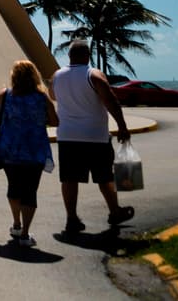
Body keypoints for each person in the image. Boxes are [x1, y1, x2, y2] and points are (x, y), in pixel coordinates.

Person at [50, 38, 134, 233]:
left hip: (67, 136)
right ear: (87, 55)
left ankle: (72, 218)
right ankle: (114, 212)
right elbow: (111, 100)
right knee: (104, 177)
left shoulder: (57, 76)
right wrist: (122, 126)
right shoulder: (94, 74)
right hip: (95, 136)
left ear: (69, 56)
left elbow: (53, 96)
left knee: (69, 179)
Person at [0, 59, 58, 247]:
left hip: (10, 150)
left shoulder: (5, 95)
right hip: (35, 151)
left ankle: (16, 223)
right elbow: (55, 121)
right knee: (30, 191)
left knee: (13, 187)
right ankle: (26, 234)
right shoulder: (42, 97)